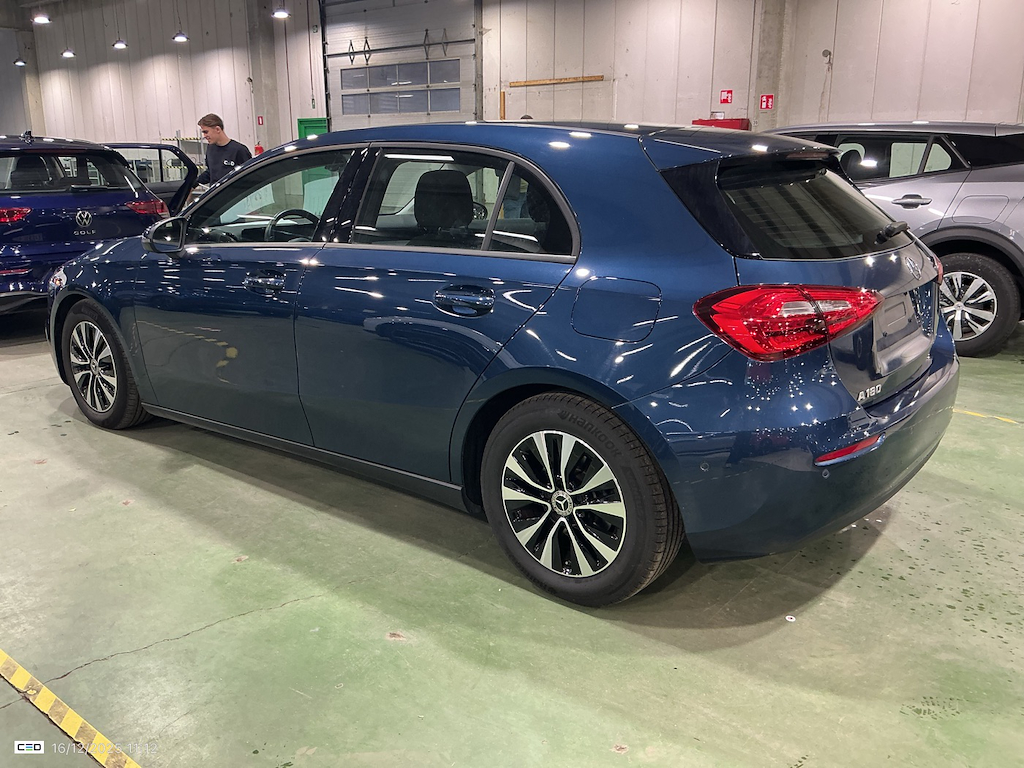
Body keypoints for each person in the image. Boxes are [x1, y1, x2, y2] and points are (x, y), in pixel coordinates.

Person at [195, 113, 252, 185]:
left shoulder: (239, 150)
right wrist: (193, 184)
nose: (204, 136)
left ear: (217, 129)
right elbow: (211, 173)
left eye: (206, 132)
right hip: (217, 191)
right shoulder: (210, 148)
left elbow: (250, 176)